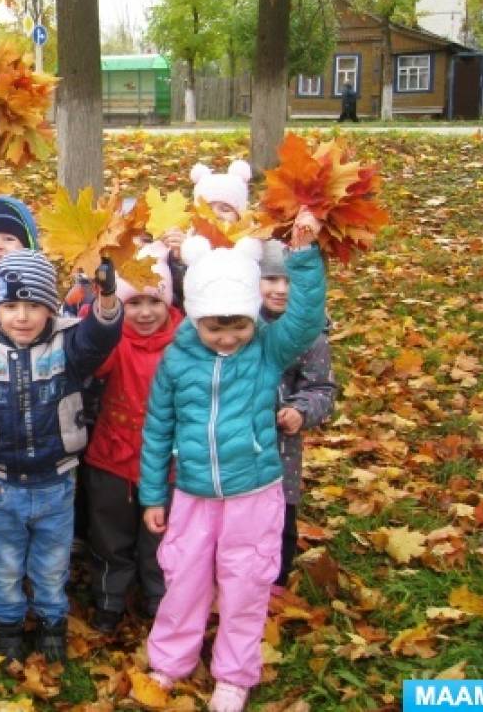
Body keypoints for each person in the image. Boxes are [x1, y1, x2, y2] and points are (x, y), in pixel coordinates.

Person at [141, 213, 325, 712]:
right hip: (194, 495)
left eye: (237, 325)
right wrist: (153, 494)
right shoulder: (177, 361)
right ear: (196, 316)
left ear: (252, 317)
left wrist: (303, 259)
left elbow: (306, 320)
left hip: (254, 492)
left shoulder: (266, 349)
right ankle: (170, 661)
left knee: (245, 585)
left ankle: (235, 673)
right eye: (214, 327)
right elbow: (158, 430)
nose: (226, 338)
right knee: (184, 580)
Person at [0, 250, 123, 663]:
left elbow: (99, 337)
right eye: (11, 306)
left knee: (52, 563)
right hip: (1, 485)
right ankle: (9, 622)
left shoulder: (67, 346)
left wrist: (106, 301)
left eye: (33, 305)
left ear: (49, 308)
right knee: (2, 563)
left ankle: (52, 620)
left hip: (56, 482)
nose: (21, 316)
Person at [83, 243, 181, 634]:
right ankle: (109, 596)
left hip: (169, 463)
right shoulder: (115, 341)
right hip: (113, 458)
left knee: (161, 537)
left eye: (153, 301)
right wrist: (100, 313)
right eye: (134, 301)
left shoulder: (184, 343)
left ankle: (159, 597)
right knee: (111, 533)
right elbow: (90, 356)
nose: (144, 312)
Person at [258, 240, 336, 587]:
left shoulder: (312, 338)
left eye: (290, 282)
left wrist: (300, 411)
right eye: (272, 279)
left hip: (282, 449)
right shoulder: (238, 326)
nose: (280, 290)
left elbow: (321, 388)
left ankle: (275, 586)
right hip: (240, 445)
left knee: (280, 520)